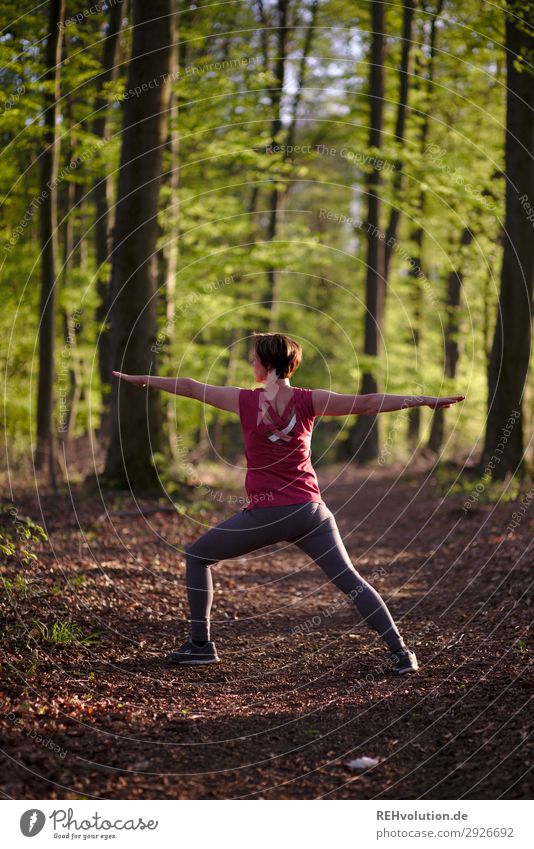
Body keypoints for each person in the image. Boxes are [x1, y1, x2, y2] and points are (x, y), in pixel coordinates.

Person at [112, 332, 464, 674]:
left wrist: (143, 380)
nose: (251, 362)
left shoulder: (245, 400)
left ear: (265, 364)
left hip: (267, 515)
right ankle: (401, 652)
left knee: (197, 556)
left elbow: (189, 386)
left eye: (254, 358)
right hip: (312, 512)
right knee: (352, 580)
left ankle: (200, 646)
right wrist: (424, 401)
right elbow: (369, 402)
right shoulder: (310, 399)